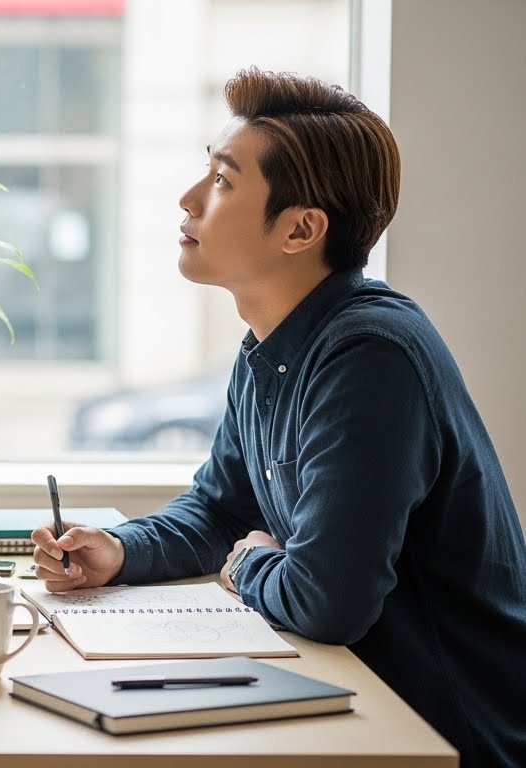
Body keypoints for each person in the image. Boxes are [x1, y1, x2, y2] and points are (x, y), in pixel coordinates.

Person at [33, 68, 526, 766]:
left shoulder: (369, 358)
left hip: (445, 733)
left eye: (223, 181)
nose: (188, 197)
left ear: (300, 229)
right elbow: (221, 509)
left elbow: (328, 602)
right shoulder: (271, 346)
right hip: (362, 707)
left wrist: (254, 563)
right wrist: (118, 553)